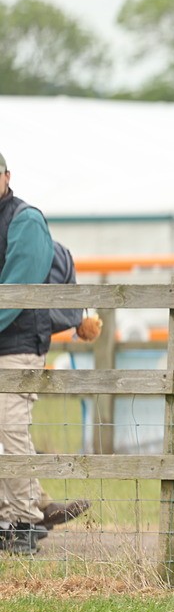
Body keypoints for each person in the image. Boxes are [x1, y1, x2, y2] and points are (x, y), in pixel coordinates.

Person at [0, 151, 91, 555]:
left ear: (6, 176)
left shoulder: (25, 220)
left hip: (18, 340)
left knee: (9, 425)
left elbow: (18, 288)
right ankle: (34, 503)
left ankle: (25, 521)